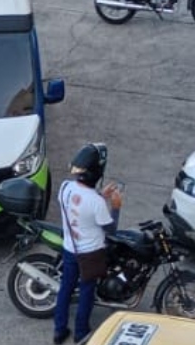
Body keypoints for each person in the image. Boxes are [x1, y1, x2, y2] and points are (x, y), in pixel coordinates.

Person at [53, 143, 122, 345]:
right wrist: (116, 207)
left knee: (65, 289)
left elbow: (79, 204)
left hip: (69, 248)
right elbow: (111, 230)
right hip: (91, 254)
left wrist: (101, 196)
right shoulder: (96, 203)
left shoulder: (65, 187)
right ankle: (81, 332)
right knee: (86, 292)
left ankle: (59, 331)